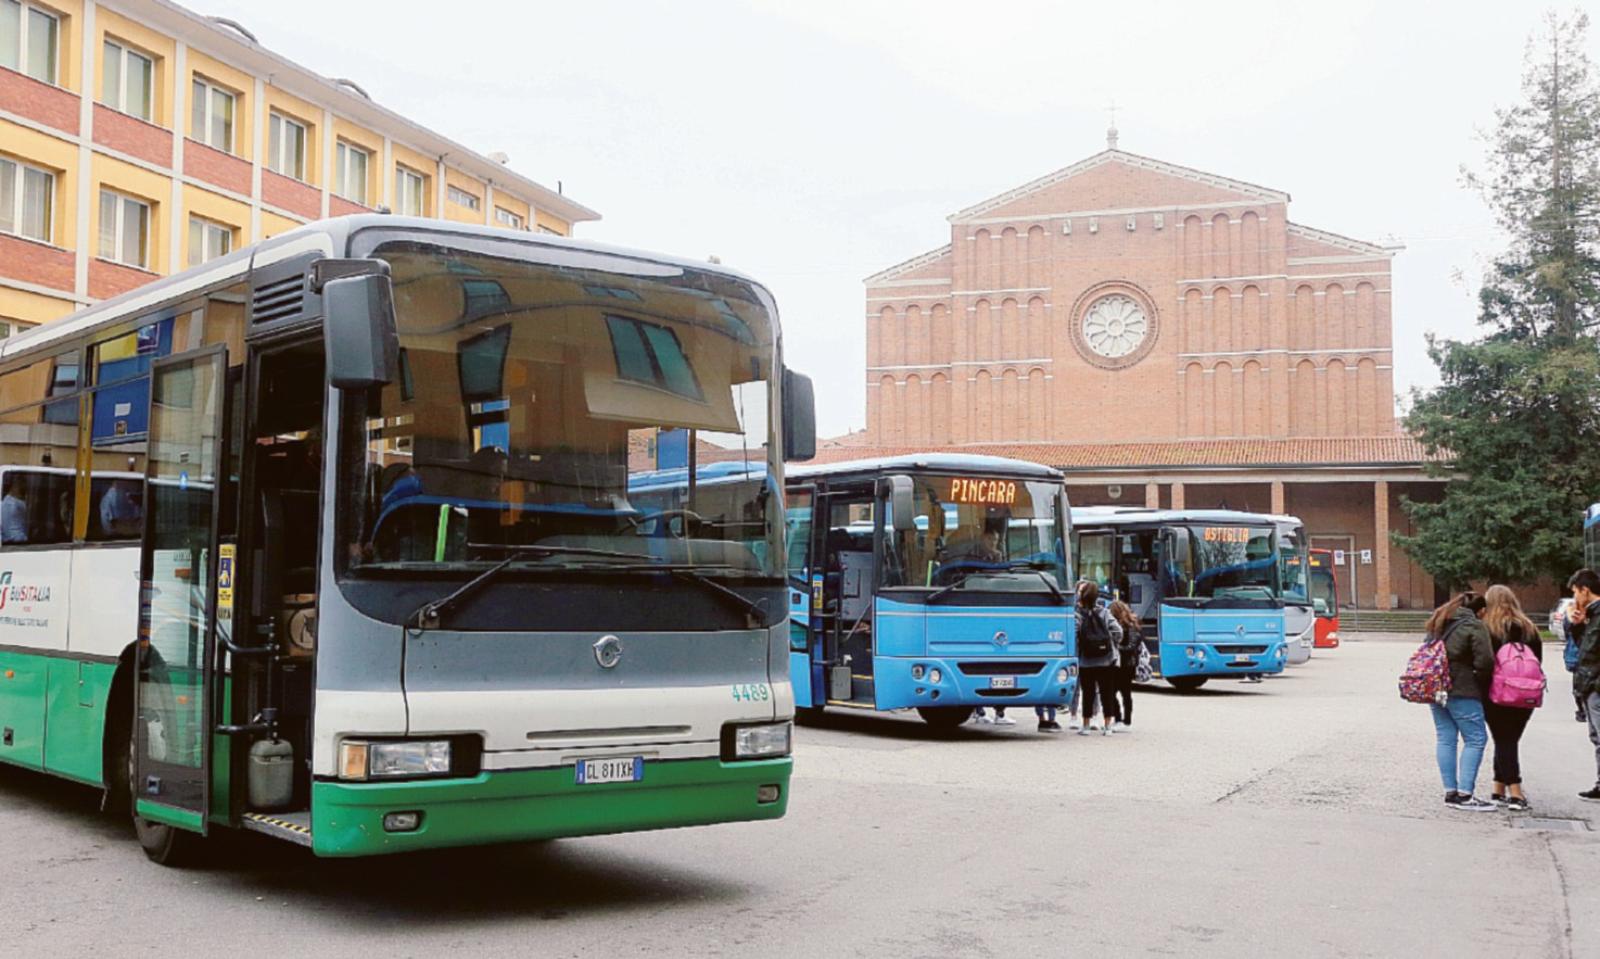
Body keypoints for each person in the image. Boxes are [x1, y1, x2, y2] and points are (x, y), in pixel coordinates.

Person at [1425, 591, 1495, 811]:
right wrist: (1481, 682)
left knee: (1446, 738)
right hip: (1463, 689)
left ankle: (1450, 791)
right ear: (1481, 610)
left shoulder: (1438, 621)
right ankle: (1465, 795)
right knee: (1475, 738)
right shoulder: (1474, 626)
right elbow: (1485, 662)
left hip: (1435, 688)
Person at [1480, 584, 1542, 811]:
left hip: (1495, 695)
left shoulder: (1488, 629)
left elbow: (1484, 663)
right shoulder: (1530, 629)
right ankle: (1498, 786)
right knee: (1509, 738)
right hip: (1525, 693)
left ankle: (1514, 791)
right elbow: (1538, 661)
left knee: (1503, 739)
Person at [1567, 569, 1600, 803]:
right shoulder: (1591, 615)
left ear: (1585, 590)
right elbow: (1584, 646)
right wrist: (1577, 625)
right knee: (1596, 736)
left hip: (1596, 683)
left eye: (1575, 592)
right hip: (1589, 683)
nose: (1574, 598)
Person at [1075, 580, 1123, 736]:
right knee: (1106, 693)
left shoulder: (1077, 614)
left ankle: (1086, 725)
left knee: (1087, 693)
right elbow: (1118, 631)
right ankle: (1108, 726)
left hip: (1085, 660)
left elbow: (1074, 635)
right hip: (1106, 659)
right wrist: (1111, 644)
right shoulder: (1104, 612)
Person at [1109, 599, 1142, 731]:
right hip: (1119, 664)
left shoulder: (1131, 626)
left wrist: (1116, 648)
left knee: (1123, 693)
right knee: (1116, 693)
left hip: (1127, 665)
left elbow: (1132, 646)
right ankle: (1120, 719)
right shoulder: (1128, 623)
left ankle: (1125, 721)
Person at [1, 476, 28, 544]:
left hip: (12, 539)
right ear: (14, 486)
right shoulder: (12, 504)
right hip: (16, 539)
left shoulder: (7, 501)